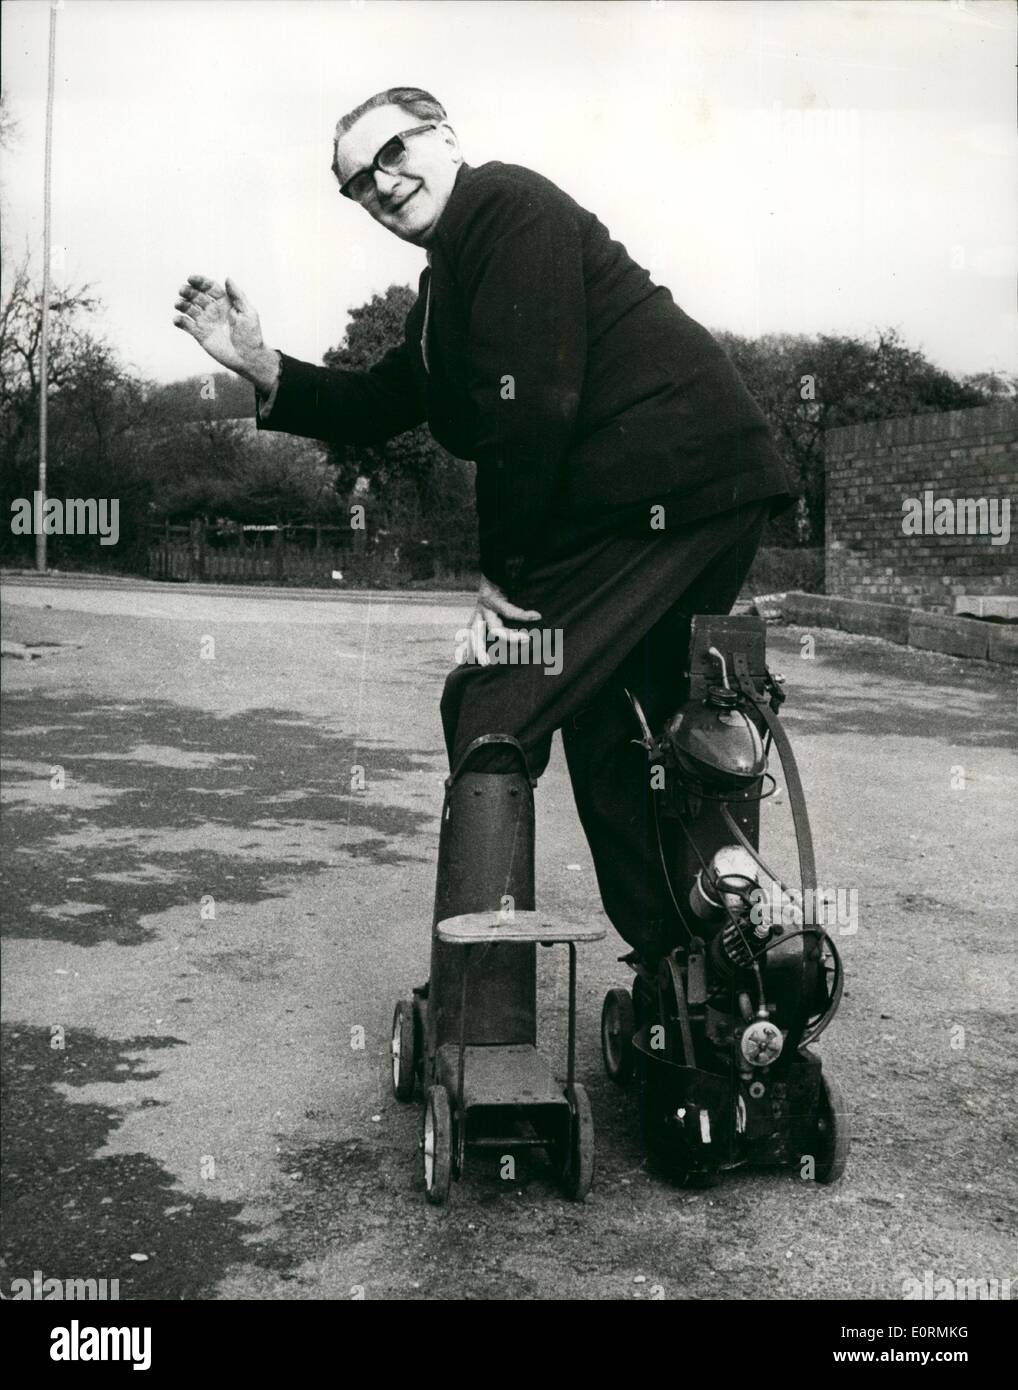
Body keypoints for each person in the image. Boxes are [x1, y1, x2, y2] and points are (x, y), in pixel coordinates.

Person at [173, 87, 794, 963]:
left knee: (492, 699)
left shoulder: (506, 206)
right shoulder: (447, 287)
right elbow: (386, 398)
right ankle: (698, 974)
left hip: (661, 490)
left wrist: (502, 573)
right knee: (631, 721)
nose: (381, 185)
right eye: (357, 181)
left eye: (393, 154)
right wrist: (261, 365)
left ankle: (484, 1014)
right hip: (702, 490)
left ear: (445, 137)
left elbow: (532, 406)